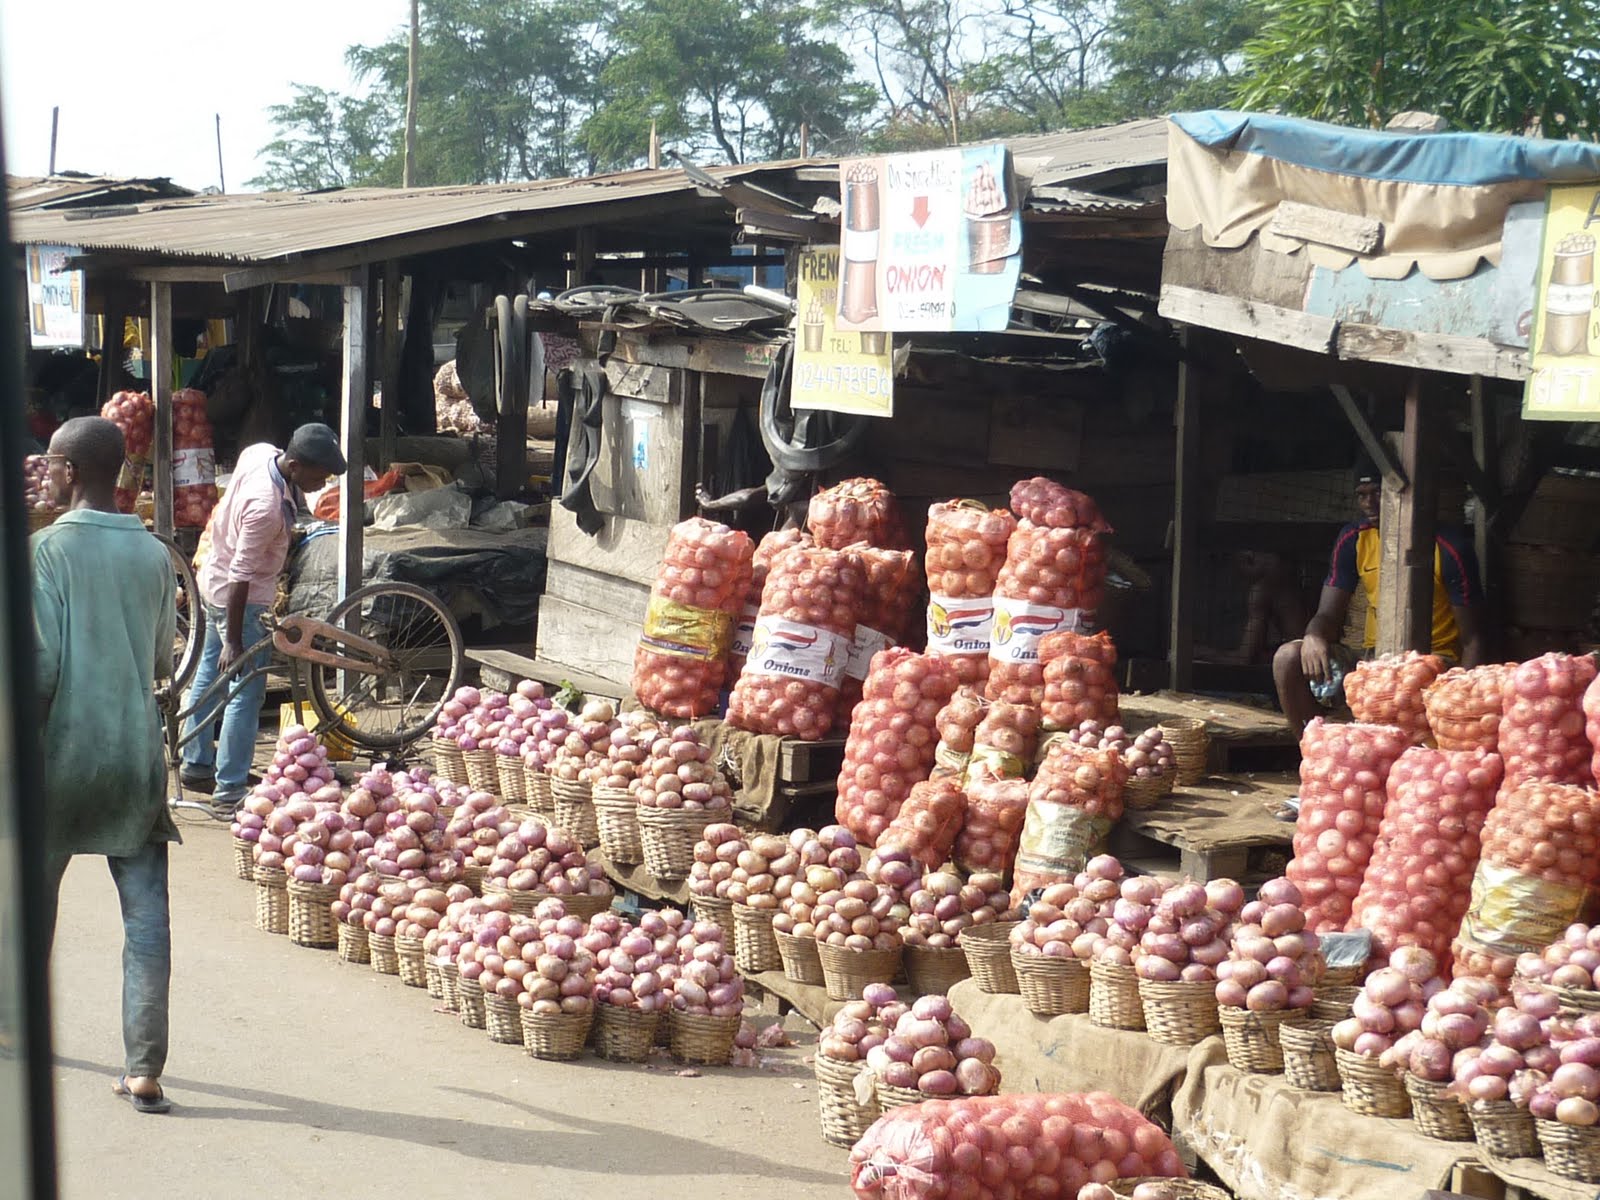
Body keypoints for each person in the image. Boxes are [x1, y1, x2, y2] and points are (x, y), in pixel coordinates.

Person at [31, 416, 177, 1113]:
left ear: (70, 470)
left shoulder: (46, 552)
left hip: (58, 757)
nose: (47, 475)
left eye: (52, 464)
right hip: (133, 758)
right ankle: (144, 1068)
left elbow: (39, 669)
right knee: (145, 920)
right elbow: (158, 661)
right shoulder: (153, 555)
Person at [181, 423, 346, 816]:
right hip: (240, 598)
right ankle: (230, 788)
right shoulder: (266, 508)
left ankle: (196, 764)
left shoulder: (259, 452)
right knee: (245, 690)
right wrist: (236, 639)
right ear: (293, 465)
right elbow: (242, 575)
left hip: (211, 578)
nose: (320, 483)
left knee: (208, 672)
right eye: (317, 476)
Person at [1273, 458, 1486, 735]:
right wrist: (1314, 636)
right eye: (1362, 496)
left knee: (1399, 685)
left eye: (1377, 493)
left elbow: (1474, 640)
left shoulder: (1449, 547)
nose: (1369, 503)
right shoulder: (1353, 539)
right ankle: (1312, 748)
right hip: (1371, 659)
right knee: (1287, 658)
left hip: (1434, 664)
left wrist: (1457, 696)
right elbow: (1328, 614)